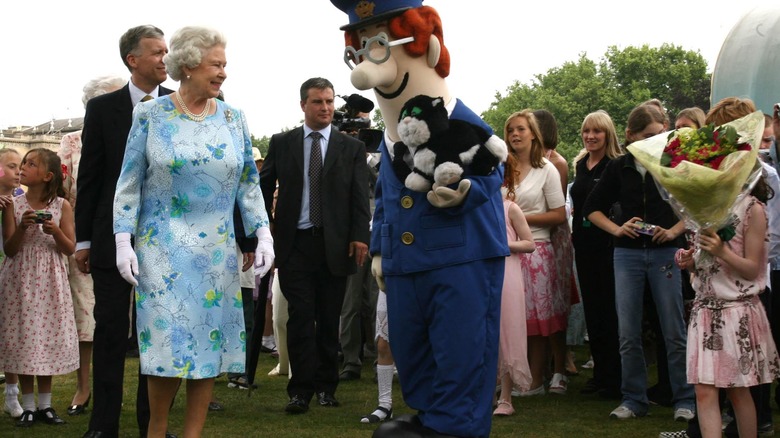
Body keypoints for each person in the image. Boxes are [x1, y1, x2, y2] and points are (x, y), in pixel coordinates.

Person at [332, 2, 510, 437]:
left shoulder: (462, 123)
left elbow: (489, 174)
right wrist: (380, 249)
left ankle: (457, 427)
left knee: (460, 352)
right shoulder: (395, 135)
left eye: (379, 44)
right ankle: (434, 419)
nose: (366, 63)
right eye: (361, 48)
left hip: (459, 260)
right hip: (406, 266)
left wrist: (462, 195)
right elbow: (386, 196)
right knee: (412, 352)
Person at [112, 26, 272, 437]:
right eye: (216, 64)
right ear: (187, 65)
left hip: (215, 253)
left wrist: (262, 233)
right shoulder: (150, 114)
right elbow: (129, 182)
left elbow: (248, 183)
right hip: (160, 252)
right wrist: (122, 239)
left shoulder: (234, 118)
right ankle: (156, 431)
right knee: (164, 347)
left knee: (208, 345)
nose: (223, 73)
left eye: (224, 65)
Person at [75, 24, 173, 438]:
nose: (165, 59)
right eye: (156, 52)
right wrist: (83, 240)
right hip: (107, 236)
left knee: (159, 339)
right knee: (111, 332)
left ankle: (153, 425)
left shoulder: (180, 105)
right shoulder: (103, 109)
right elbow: (91, 179)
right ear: (133, 60)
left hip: (167, 241)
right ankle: (103, 426)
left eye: (167, 51)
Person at [259, 77, 370, 414]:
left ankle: (326, 387)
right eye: (318, 102)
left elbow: (359, 196)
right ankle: (300, 390)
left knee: (328, 316)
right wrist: (267, 228)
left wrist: (360, 235)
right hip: (295, 244)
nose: (325, 108)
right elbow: (263, 188)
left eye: (329, 101)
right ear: (303, 105)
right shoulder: (283, 142)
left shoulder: (350, 147)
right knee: (300, 317)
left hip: (336, 245)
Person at [583, 103, 695, 421]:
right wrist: (618, 228)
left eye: (661, 134)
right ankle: (633, 399)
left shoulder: (673, 162)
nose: (656, 141)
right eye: (648, 136)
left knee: (674, 330)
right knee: (628, 331)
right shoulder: (619, 167)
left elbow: (695, 205)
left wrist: (673, 230)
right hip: (627, 255)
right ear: (631, 135)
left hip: (666, 252)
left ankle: (685, 399)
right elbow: (591, 208)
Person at [58, 74, 127, 418]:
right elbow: (65, 190)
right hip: (88, 238)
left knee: (125, 321)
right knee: (87, 320)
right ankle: (84, 387)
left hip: (135, 235)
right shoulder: (71, 142)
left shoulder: (141, 131)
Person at [0, 148, 78, 427]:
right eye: (22, 163)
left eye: (30, 164)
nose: (22, 167)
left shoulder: (62, 206)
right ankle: (28, 406)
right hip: (19, 280)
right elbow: (9, 249)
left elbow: (69, 248)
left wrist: (55, 230)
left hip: (50, 281)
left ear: (47, 176)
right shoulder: (11, 203)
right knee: (23, 338)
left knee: (45, 337)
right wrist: (22, 227)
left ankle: (45, 404)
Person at [502, 110, 568, 397]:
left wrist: (520, 218)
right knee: (512, 317)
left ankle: (535, 380)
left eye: (520, 129)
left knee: (537, 320)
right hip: (507, 252)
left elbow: (558, 215)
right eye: (510, 131)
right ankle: (514, 376)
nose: (514, 135)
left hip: (537, 251)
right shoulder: (503, 169)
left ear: (533, 134)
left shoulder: (547, 169)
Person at [570, 110, 623, 399]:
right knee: (593, 311)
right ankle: (601, 374)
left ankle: (615, 378)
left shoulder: (614, 165)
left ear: (607, 134)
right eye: (586, 131)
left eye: (597, 131)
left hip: (608, 245)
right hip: (584, 245)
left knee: (610, 312)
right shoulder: (581, 164)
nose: (590, 136)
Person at [340, 132, 380, 382]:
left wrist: (368, 162)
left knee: (377, 301)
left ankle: (380, 358)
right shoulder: (341, 160)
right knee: (351, 302)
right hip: (353, 236)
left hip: (378, 237)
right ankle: (350, 360)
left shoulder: (380, 161)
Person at [493, 197, 535, 416]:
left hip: (507, 271)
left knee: (508, 330)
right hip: (479, 273)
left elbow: (529, 243)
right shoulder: (472, 206)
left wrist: (503, 245)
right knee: (483, 333)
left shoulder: (511, 207)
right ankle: (487, 392)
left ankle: (506, 398)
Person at [0, 148, 23, 419]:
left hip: (11, 271)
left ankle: (12, 395)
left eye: (21, 166)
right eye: (12, 166)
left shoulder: (21, 198)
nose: (18, 171)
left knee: (11, 334)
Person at [360, 288, 395, 423]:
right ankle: (385, 405)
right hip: (390, 278)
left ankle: (430, 404)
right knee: (383, 343)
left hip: (425, 274)